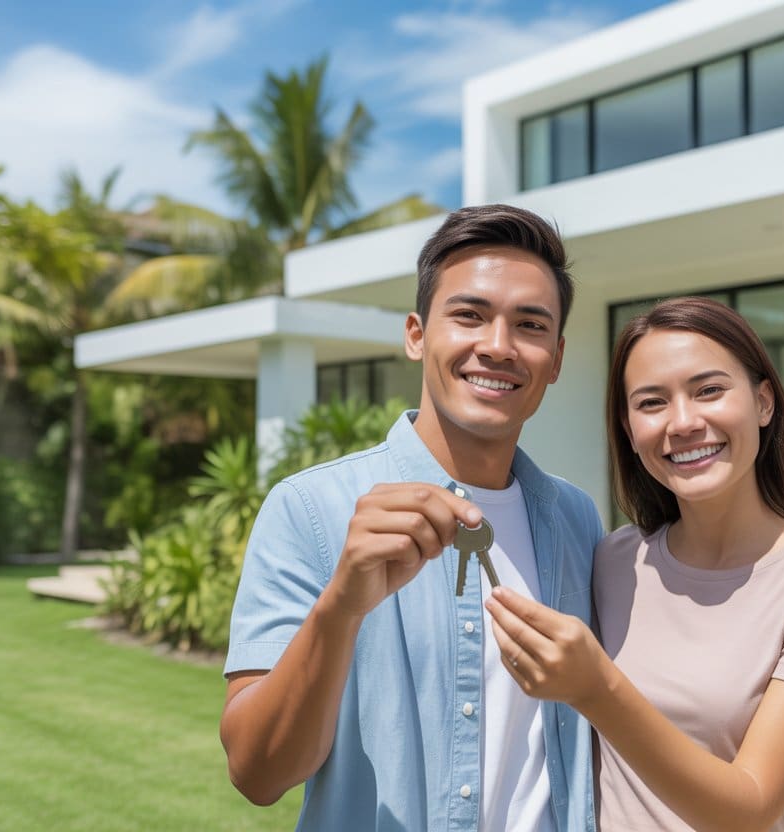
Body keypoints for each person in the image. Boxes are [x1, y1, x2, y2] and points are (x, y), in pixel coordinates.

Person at [220, 204, 605, 831]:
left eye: (529, 325)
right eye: (469, 315)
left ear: (556, 359)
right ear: (417, 334)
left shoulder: (577, 519)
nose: (498, 346)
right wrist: (342, 605)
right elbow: (256, 774)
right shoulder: (311, 510)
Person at [486, 296, 784, 832]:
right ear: (629, 429)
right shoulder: (613, 559)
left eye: (709, 390)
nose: (684, 422)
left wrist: (596, 688)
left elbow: (750, 810)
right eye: (651, 402)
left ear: (764, 403)